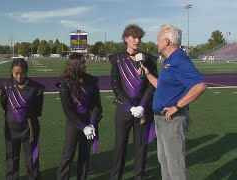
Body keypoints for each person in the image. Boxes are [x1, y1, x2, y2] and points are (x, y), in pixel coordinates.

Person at [141, 24, 207, 180]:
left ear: (166, 41)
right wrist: (148, 74)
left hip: (172, 120)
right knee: (164, 161)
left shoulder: (179, 59)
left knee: (175, 165)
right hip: (161, 119)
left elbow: (200, 86)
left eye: (158, 39)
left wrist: (177, 106)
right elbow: (163, 87)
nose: (156, 42)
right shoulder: (169, 60)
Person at [109, 24, 158, 180]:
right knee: (120, 147)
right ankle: (116, 177)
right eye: (134, 37)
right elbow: (116, 87)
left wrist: (142, 106)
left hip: (143, 110)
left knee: (141, 147)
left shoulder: (148, 59)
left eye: (139, 38)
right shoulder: (116, 59)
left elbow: (152, 84)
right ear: (126, 39)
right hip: (124, 110)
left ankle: (140, 176)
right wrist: (130, 107)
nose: (137, 40)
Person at [56, 53, 103, 180]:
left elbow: (97, 106)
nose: (85, 64)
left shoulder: (92, 80)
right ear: (75, 65)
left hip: (88, 123)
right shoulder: (64, 83)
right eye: (82, 63)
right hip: (73, 124)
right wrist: (83, 127)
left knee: (84, 156)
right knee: (68, 155)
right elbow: (68, 110)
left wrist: (92, 124)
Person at [0, 58, 45, 180]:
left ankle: (33, 177)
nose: (19, 76)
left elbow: (38, 109)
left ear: (27, 71)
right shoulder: (6, 85)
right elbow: (4, 104)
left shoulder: (37, 88)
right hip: (11, 127)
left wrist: (26, 116)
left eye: (22, 73)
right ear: (12, 72)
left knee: (32, 156)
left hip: (30, 128)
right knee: (11, 156)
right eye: (16, 73)